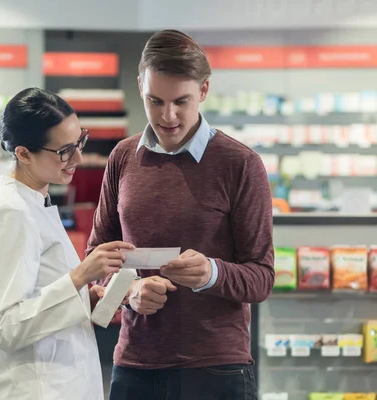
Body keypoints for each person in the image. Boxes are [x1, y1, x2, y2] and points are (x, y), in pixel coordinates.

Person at [86, 29, 275, 400]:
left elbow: (262, 278)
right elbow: (97, 262)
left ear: (203, 90)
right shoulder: (122, 158)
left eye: (181, 101)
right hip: (135, 366)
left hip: (216, 368)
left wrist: (212, 273)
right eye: (154, 100)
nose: (167, 116)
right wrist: (129, 291)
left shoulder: (241, 164)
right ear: (140, 85)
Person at [0, 87, 135, 400]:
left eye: (79, 142)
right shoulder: (10, 212)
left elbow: (38, 299)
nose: (79, 158)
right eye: (64, 151)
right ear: (23, 153)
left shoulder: (35, 202)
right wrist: (80, 276)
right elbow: (7, 327)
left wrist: (89, 300)